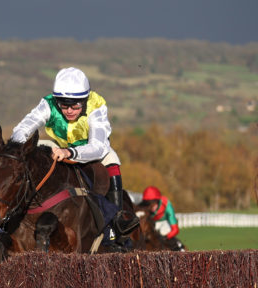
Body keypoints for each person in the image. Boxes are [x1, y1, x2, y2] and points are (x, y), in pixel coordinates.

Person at [10, 67, 139, 249]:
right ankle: (9, 213)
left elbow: (98, 147)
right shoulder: (49, 104)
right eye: (64, 105)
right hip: (61, 147)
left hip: (93, 150)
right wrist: (17, 148)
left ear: (85, 100)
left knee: (112, 159)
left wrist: (71, 153)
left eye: (75, 105)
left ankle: (117, 224)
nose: (69, 110)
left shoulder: (96, 105)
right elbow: (22, 129)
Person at [142, 186, 184, 250]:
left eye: (153, 203)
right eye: (149, 204)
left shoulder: (167, 205)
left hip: (165, 226)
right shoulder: (144, 207)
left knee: (163, 229)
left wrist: (165, 237)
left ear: (158, 201)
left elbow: (175, 229)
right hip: (151, 226)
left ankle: (180, 249)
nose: (151, 206)